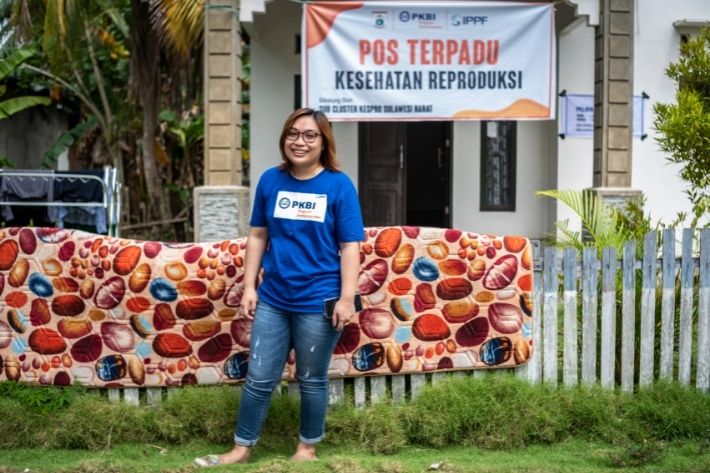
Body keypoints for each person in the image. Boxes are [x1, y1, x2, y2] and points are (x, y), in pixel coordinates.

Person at [195, 108, 364, 467]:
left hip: (319, 300)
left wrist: (347, 298)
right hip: (273, 297)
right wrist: (249, 286)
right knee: (259, 376)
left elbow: (350, 245)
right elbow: (257, 235)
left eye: (309, 135)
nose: (299, 141)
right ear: (284, 137)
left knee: (311, 377)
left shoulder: (338, 185)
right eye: (293, 133)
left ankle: (306, 448)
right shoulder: (271, 181)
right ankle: (242, 448)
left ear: (323, 142)